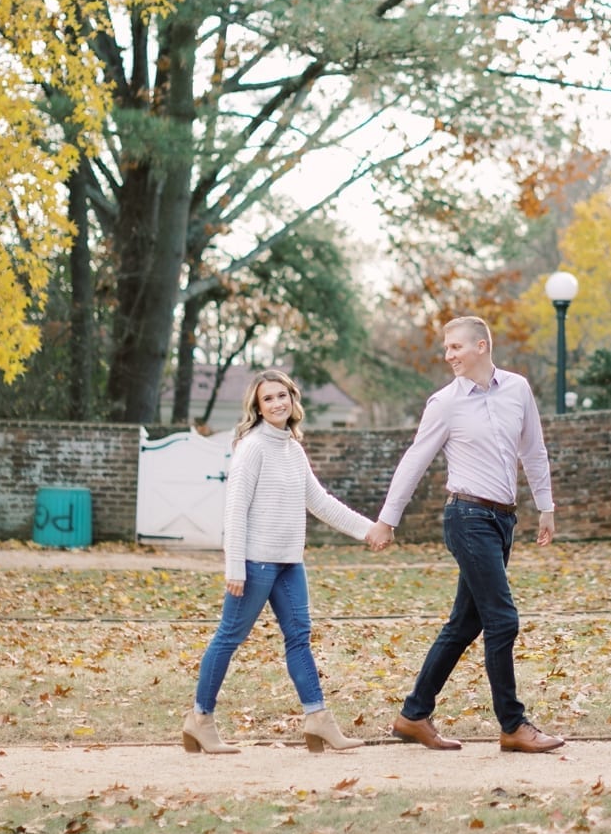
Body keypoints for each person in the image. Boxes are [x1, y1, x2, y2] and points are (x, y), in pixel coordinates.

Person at [366, 315, 566, 754]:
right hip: (467, 517)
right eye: (446, 349)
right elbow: (415, 460)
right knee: (502, 619)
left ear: (482, 345)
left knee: (465, 623)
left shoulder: (517, 389)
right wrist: (387, 518)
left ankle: (414, 714)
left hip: (503, 520)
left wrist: (545, 506)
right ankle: (513, 725)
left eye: (456, 347)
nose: (448, 355)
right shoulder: (444, 403)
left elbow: (533, 450)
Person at [183, 368, 379, 754]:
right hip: (255, 563)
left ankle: (318, 719)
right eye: (267, 399)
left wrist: (368, 529)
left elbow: (320, 502)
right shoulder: (252, 447)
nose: (276, 403)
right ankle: (199, 719)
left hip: (290, 563)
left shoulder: (292, 448)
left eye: (281, 395)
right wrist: (234, 566)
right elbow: (235, 509)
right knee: (228, 638)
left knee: (299, 638)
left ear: (293, 399)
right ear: (257, 408)